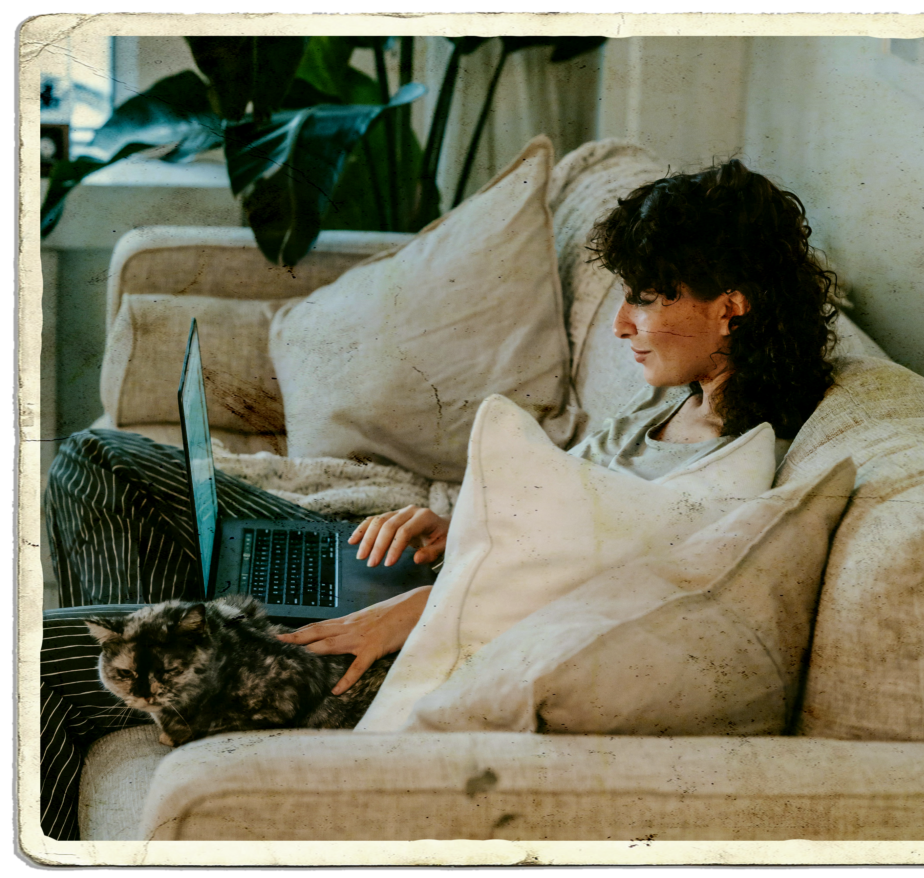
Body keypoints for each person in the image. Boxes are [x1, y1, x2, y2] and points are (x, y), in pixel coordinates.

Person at [37, 158, 838, 840]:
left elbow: (591, 610)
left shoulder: (730, 476)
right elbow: (553, 525)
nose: (624, 323)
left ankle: (145, 677)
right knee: (97, 460)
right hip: (433, 579)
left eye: (650, 299)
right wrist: (459, 528)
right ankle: (157, 654)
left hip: (414, 649)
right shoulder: (672, 400)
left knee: (43, 663)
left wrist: (417, 608)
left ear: (732, 306)